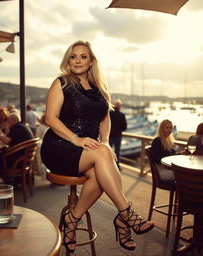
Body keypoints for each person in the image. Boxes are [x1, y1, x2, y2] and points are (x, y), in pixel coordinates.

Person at [41, 40, 154, 253]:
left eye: (83, 56)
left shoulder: (99, 88)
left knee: (99, 171)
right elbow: (50, 118)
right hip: (59, 146)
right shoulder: (62, 82)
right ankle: (126, 214)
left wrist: (104, 141)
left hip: (89, 149)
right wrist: (75, 138)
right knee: (105, 156)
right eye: (73, 56)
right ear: (68, 60)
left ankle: (72, 219)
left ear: (91, 61)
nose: (78, 60)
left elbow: (105, 119)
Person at [109, 99, 127, 170]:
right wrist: (119, 130)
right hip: (118, 136)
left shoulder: (109, 114)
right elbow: (124, 127)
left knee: (109, 152)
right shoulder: (122, 115)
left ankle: (109, 166)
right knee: (117, 151)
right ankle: (117, 166)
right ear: (120, 107)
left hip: (109, 136)